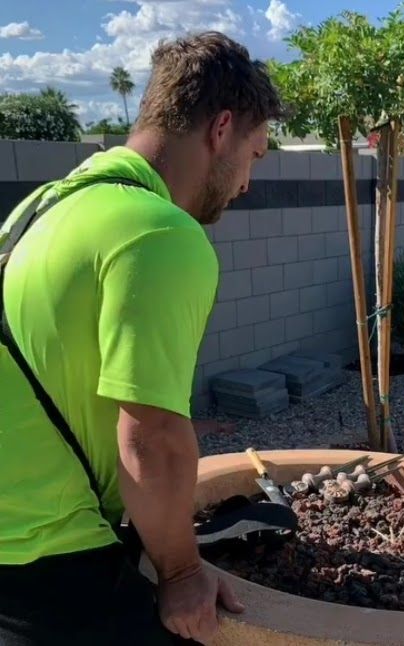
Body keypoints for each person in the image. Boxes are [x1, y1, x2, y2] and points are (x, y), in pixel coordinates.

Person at [0, 31, 286, 645]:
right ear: (221, 129)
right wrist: (181, 571)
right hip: (49, 562)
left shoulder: (49, 204)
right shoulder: (162, 234)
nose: (247, 183)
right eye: (255, 155)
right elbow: (150, 437)